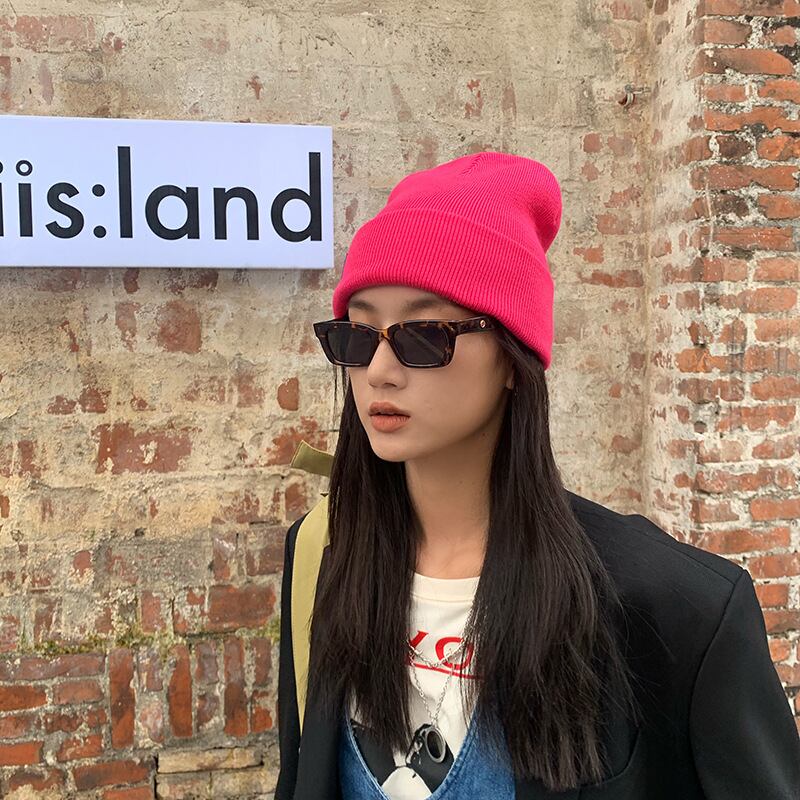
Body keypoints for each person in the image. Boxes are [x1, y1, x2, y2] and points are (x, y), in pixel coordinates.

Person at [275, 151, 800, 800]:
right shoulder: (321, 555)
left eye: (423, 335)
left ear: (512, 358)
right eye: (358, 336)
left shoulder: (676, 609)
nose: (379, 371)